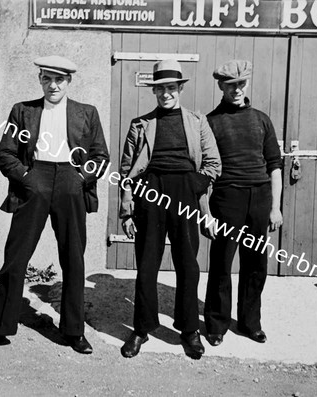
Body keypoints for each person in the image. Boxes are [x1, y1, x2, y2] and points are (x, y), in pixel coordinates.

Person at [0, 55, 109, 354]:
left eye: (59, 79)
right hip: (35, 182)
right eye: (47, 78)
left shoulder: (87, 113)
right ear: (40, 80)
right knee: (15, 259)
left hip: (71, 184)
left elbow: (100, 156)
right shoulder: (23, 111)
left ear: (68, 81)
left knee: (73, 259)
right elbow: (5, 153)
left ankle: (74, 331)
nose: (53, 85)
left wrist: (80, 178)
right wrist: (27, 177)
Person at [119, 59, 221, 359]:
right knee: (147, 265)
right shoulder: (141, 124)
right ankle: (141, 328)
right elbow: (126, 172)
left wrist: (195, 185)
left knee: (188, 264)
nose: (166, 94)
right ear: (154, 91)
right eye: (160, 89)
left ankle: (189, 330)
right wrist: (126, 212)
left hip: (185, 194)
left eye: (171, 88)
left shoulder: (197, 121)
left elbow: (214, 164)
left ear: (180, 89)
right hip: (150, 192)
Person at [202, 60, 283, 347]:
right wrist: (207, 212)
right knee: (222, 263)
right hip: (228, 198)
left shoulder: (261, 119)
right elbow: (205, 172)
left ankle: (251, 323)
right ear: (220, 86)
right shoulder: (210, 122)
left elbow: (275, 166)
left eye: (241, 84)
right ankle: (215, 324)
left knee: (256, 264)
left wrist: (275, 207)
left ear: (246, 85)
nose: (237, 90)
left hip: (259, 198)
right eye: (230, 85)